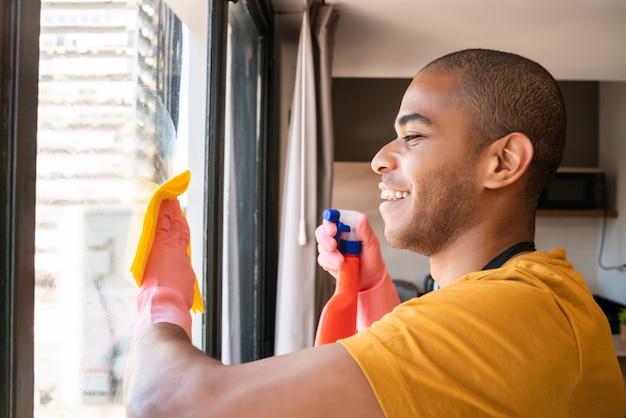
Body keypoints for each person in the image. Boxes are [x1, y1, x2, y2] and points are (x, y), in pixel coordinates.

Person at [124, 48, 625, 417]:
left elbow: (168, 404)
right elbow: (415, 387)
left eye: (413, 136)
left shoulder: (514, 313)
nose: (381, 158)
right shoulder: (531, 299)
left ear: (502, 161)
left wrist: (163, 294)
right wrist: (371, 288)